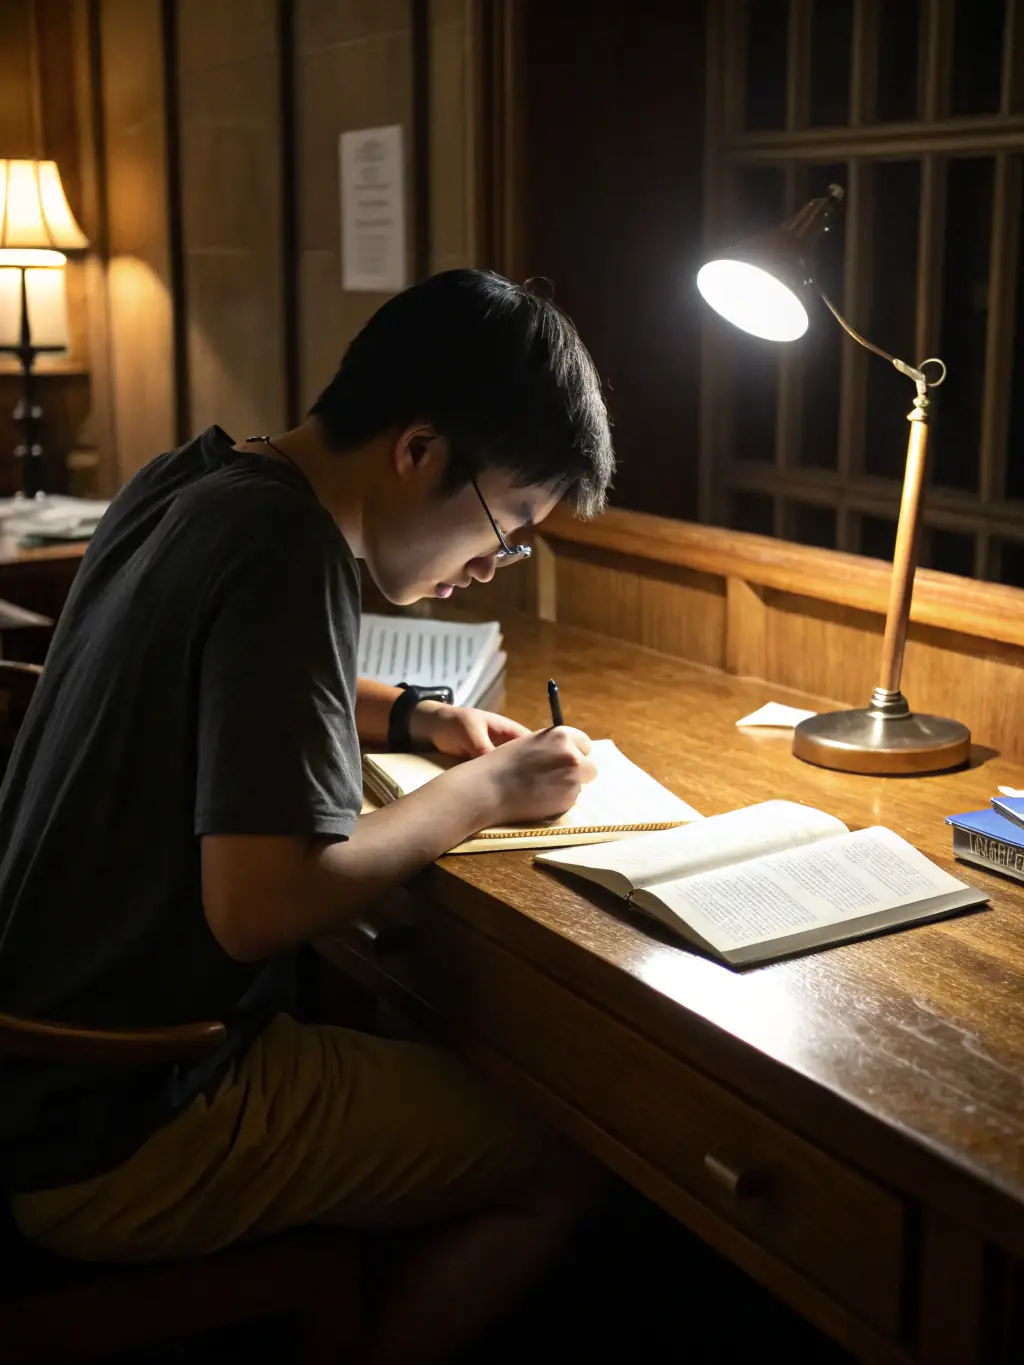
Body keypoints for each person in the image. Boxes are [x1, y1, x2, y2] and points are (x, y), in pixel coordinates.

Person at [0, 269, 615, 1364]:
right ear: (417, 448)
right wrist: (487, 791)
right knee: (562, 1157)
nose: (492, 566)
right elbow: (261, 904)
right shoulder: (291, 553)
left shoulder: (194, 478)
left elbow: (218, 670)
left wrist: (416, 715)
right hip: (118, 1117)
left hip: (36, 1066)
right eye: (506, 523)